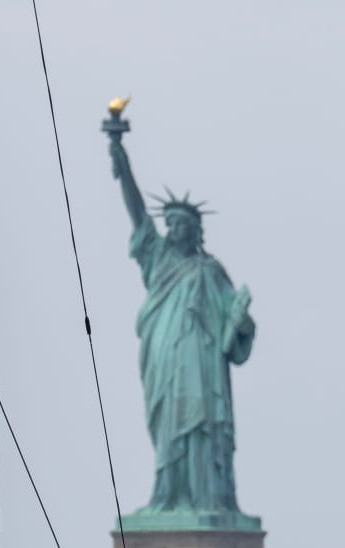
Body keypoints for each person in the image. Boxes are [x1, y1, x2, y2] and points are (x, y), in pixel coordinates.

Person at [109, 135, 255, 515]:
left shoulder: (211, 271)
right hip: (164, 355)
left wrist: (241, 322)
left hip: (203, 362)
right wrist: (120, 156)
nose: (174, 229)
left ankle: (210, 499)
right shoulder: (156, 259)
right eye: (169, 223)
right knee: (169, 425)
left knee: (203, 425)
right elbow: (137, 211)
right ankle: (169, 496)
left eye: (181, 224)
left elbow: (235, 330)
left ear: (195, 230)